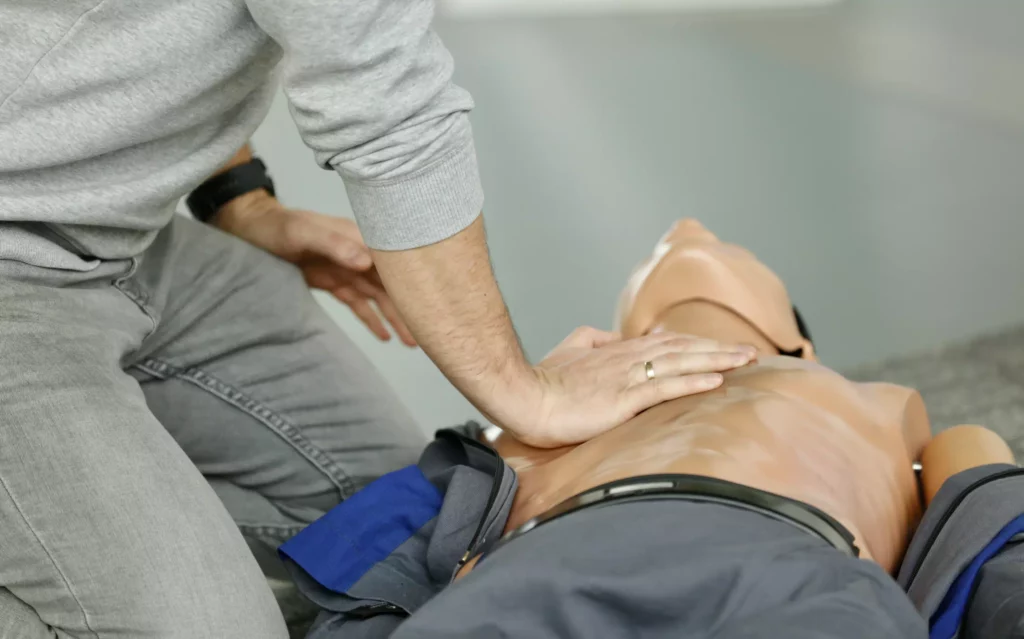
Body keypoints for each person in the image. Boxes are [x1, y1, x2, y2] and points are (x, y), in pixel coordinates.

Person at [0, 2, 750, 637]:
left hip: (122, 236)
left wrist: (240, 198)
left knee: (414, 538)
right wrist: (529, 393)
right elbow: (389, 112)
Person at [280, 219, 1024, 638]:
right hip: (542, 575)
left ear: (798, 342)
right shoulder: (558, 405)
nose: (688, 228)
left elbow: (991, 522)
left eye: (732, 248)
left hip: (793, 577)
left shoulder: (876, 400)